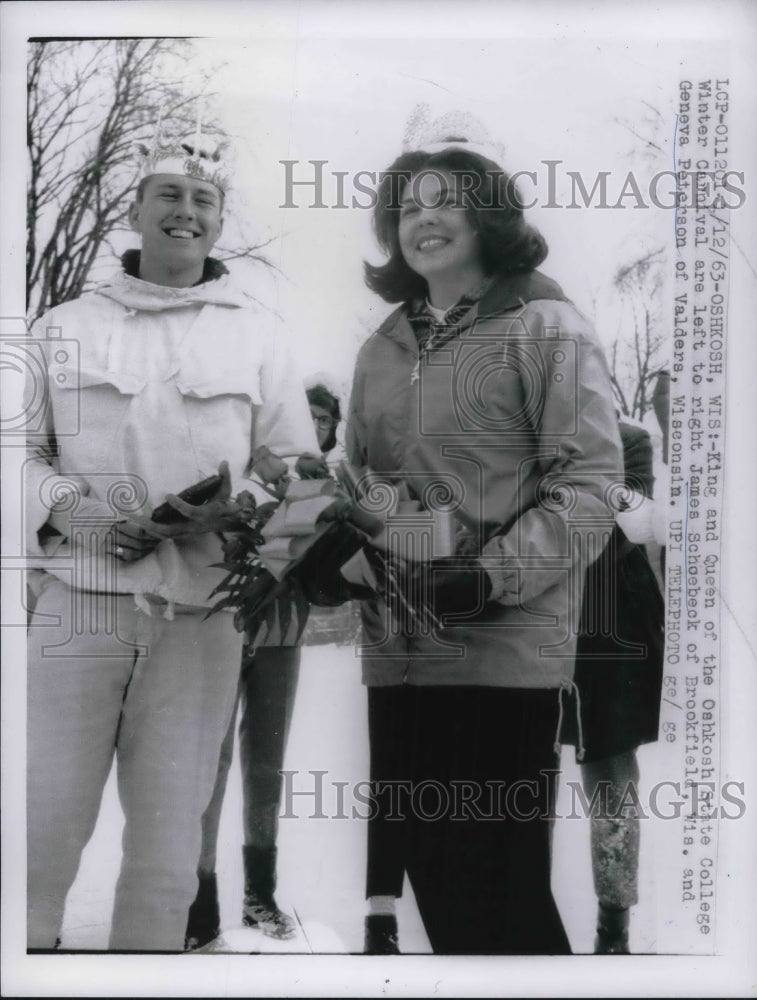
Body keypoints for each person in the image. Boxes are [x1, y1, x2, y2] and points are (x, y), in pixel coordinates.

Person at [25, 124, 318, 952]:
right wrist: (79, 514)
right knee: (39, 832)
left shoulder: (257, 333)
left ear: (219, 223)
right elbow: (18, 451)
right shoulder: (63, 323)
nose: (184, 212)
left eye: (203, 200)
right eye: (168, 195)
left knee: (166, 849)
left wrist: (235, 511)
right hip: (77, 608)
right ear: (135, 209)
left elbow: (294, 461)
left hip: (199, 613)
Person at [345, 109, 623, 955]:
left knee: (496, 890)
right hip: (399, 650)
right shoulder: (383, 346)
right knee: (436, 882)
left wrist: (488, 576)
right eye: (405, 206)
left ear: (489, 216)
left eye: (445, 201)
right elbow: (361, 484)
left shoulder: (547, 327)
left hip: (501, 651)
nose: (421, 219)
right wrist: (337, 557)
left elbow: (589, 485)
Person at [184, 382, 345, 949]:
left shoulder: (326, 487)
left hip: (282, 633)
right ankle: (198, 898)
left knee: (265, 766)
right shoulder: (245, 468)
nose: (317, 427)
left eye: (326, 420)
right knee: (215, 760)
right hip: (226, 626)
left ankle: (260, 895)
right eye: (310, 416)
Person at [562, 416, 665, 953]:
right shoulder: (525, 438)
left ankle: (613, 929)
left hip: (613, 624)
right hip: (540, 612)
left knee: (611, 777)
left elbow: (638, 521)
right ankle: (517, 910)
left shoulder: (629, 441)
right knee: (515, 768)